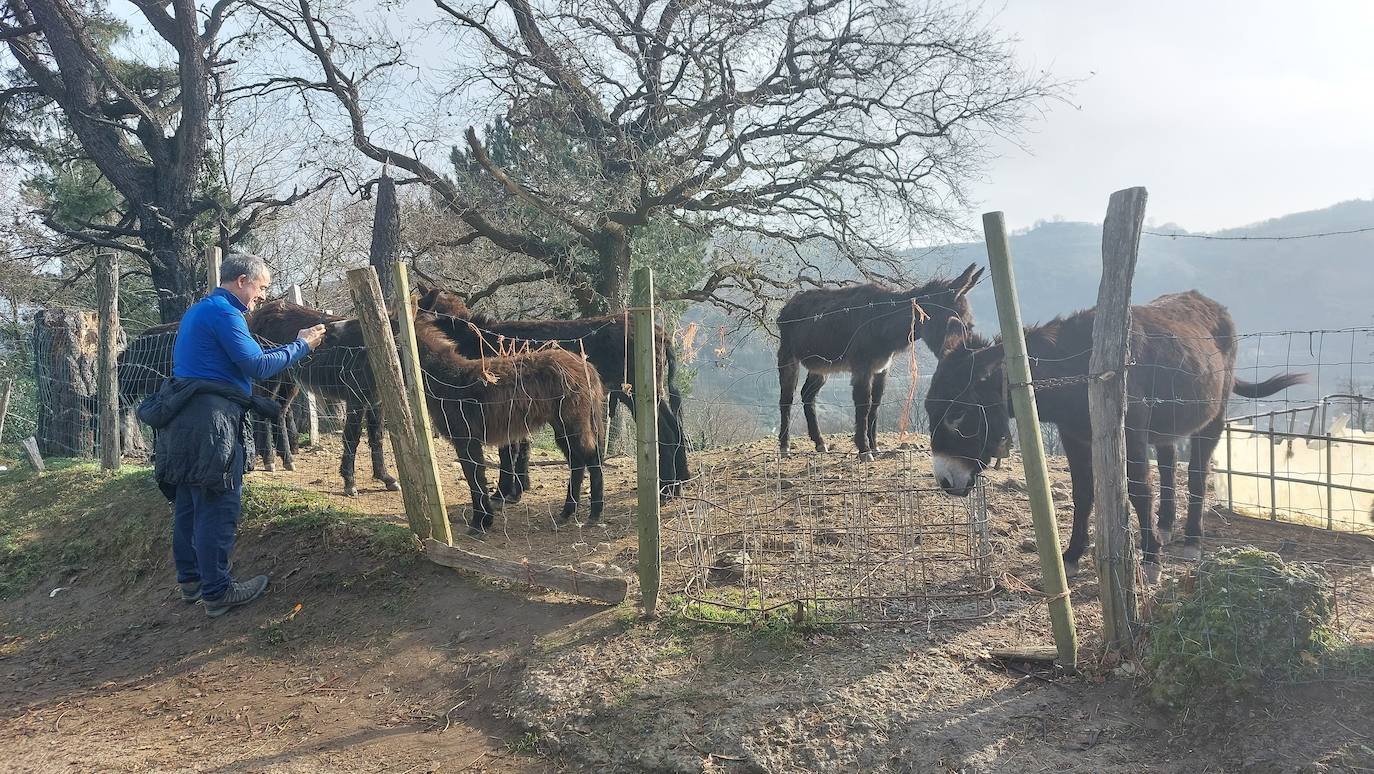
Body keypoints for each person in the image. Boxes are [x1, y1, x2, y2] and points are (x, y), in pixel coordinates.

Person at [137, 253, 326, 618]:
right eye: (262, 287)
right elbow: (256, 365)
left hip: (185, 419)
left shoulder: (199, 310)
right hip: (213, 424)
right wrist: (301, 345)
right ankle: (218, 592)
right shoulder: (225, 314)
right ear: (242, 280)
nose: (262, 296)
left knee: (190, 502)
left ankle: (191, 581)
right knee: (217, 502)